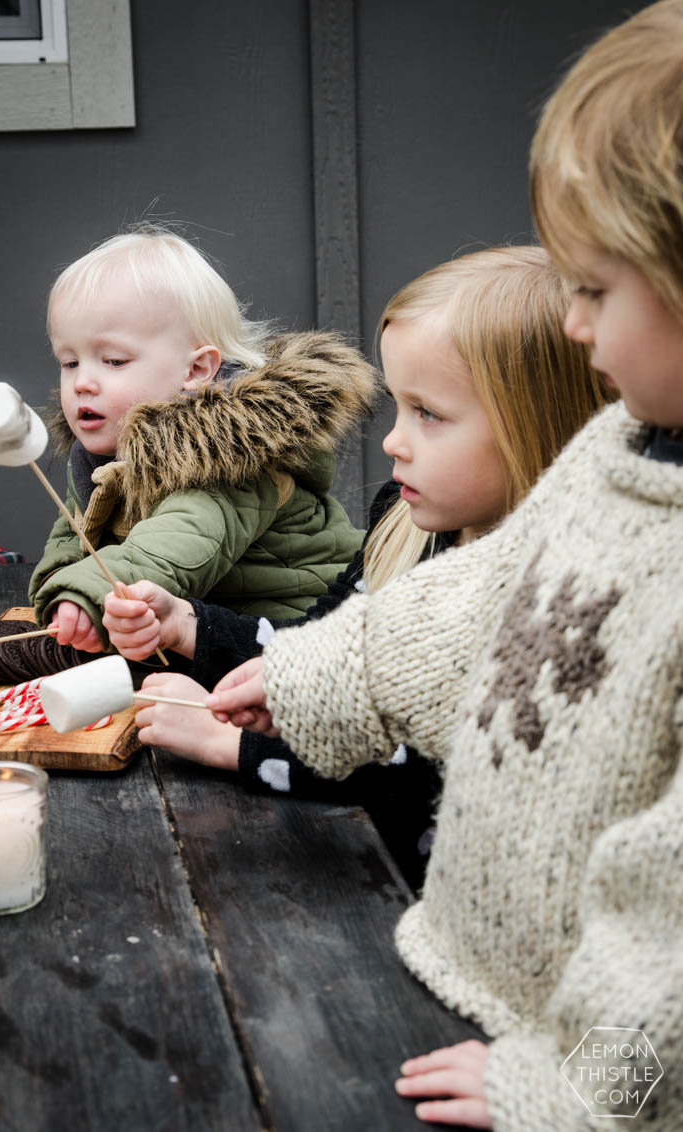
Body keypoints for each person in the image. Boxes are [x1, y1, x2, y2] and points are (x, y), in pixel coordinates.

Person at [205, 2, 683, 1126]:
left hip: (593, 1067)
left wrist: (583, 1088)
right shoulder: (623, 448)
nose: (573, 323)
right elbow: (498, 594)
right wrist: (332, 673)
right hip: (479, 981)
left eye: (598, 288)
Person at [102, 243, 610, 890]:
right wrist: (190, 626)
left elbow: (428, 774)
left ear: (532, 426)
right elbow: (315, 651)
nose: (394, 441)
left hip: (426, 898)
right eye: (399, 406)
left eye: (429, 414)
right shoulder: (402, 522)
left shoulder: (559, 593)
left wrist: (232, 745)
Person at [28, 224, 377, 653]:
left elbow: (175, 544)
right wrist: (59, 587)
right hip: (197, 622)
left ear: (195, 371)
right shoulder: (103, 454)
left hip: (290, 632)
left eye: (114, 360)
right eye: (69, 362)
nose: (83, 382)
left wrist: (91, 594)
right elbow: (75, 531)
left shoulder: (232, 455)